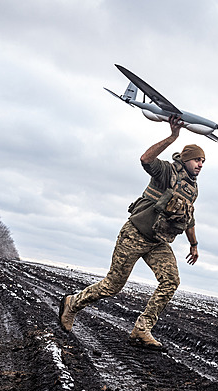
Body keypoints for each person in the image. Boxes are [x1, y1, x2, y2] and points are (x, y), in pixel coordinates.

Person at [58, 115, 205, 350]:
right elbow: (146, 159)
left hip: (158, 242)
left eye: (202, 161)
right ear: (186, 159)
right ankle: (72, 303)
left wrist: (194, 244)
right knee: (112, 286)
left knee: (171, 281)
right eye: (197, 160)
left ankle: (141, 329)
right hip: (135, 234)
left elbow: (189, 217)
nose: (200, 164)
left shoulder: (192, 187)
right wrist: (173, 136)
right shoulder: (167, 172)